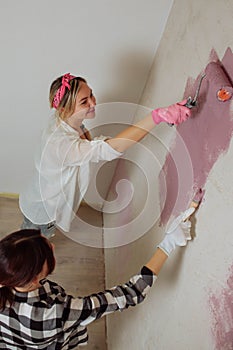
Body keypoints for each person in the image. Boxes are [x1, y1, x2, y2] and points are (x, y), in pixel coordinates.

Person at [19, 73, 191, 238]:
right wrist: (157, 117)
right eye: (84, 102)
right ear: (64, 109)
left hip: (42, 196)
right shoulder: (61, 145)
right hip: (43, 211)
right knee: (34, 245)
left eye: (91, 95)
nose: (93, 102)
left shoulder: (65, 121)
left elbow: (98, 146)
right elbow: (108, 148)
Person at [0, 207, 195, 349]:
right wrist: (167, 244)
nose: (52, 246)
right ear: (34, 279)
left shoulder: (7, 278)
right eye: (47, 253)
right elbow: (130, 294)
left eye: (44, 240)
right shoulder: (55, 313)